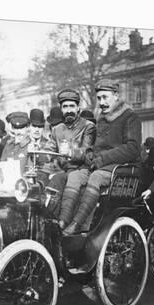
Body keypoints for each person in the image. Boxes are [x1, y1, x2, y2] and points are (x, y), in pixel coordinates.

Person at [62, 79, 141, 236]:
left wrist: (102, 159)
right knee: (75, 176)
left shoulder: (130, 117)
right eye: (99, 98)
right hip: (100, 165)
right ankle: (62, 221)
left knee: (96, 177)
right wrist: (90, 155)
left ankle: (77, 224)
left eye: (105, 97)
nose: (102, 102)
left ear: (116, 96)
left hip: (122, 168)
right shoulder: (102, 118)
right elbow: (97, 146)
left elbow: (132, 149)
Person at [45, 88, 96, 230]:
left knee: (72, 177)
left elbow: (88, 152)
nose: (69, 110)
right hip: (65, 171)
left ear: (78, 107)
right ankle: (46, 219)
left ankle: (63, 222)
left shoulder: (88, 127)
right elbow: (49, 149)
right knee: (51, 179)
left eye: (72, 106)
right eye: (65, 107)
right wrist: (40, 154)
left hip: (83, 170)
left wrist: (71, 152)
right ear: (61, 109)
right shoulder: (57, 129)